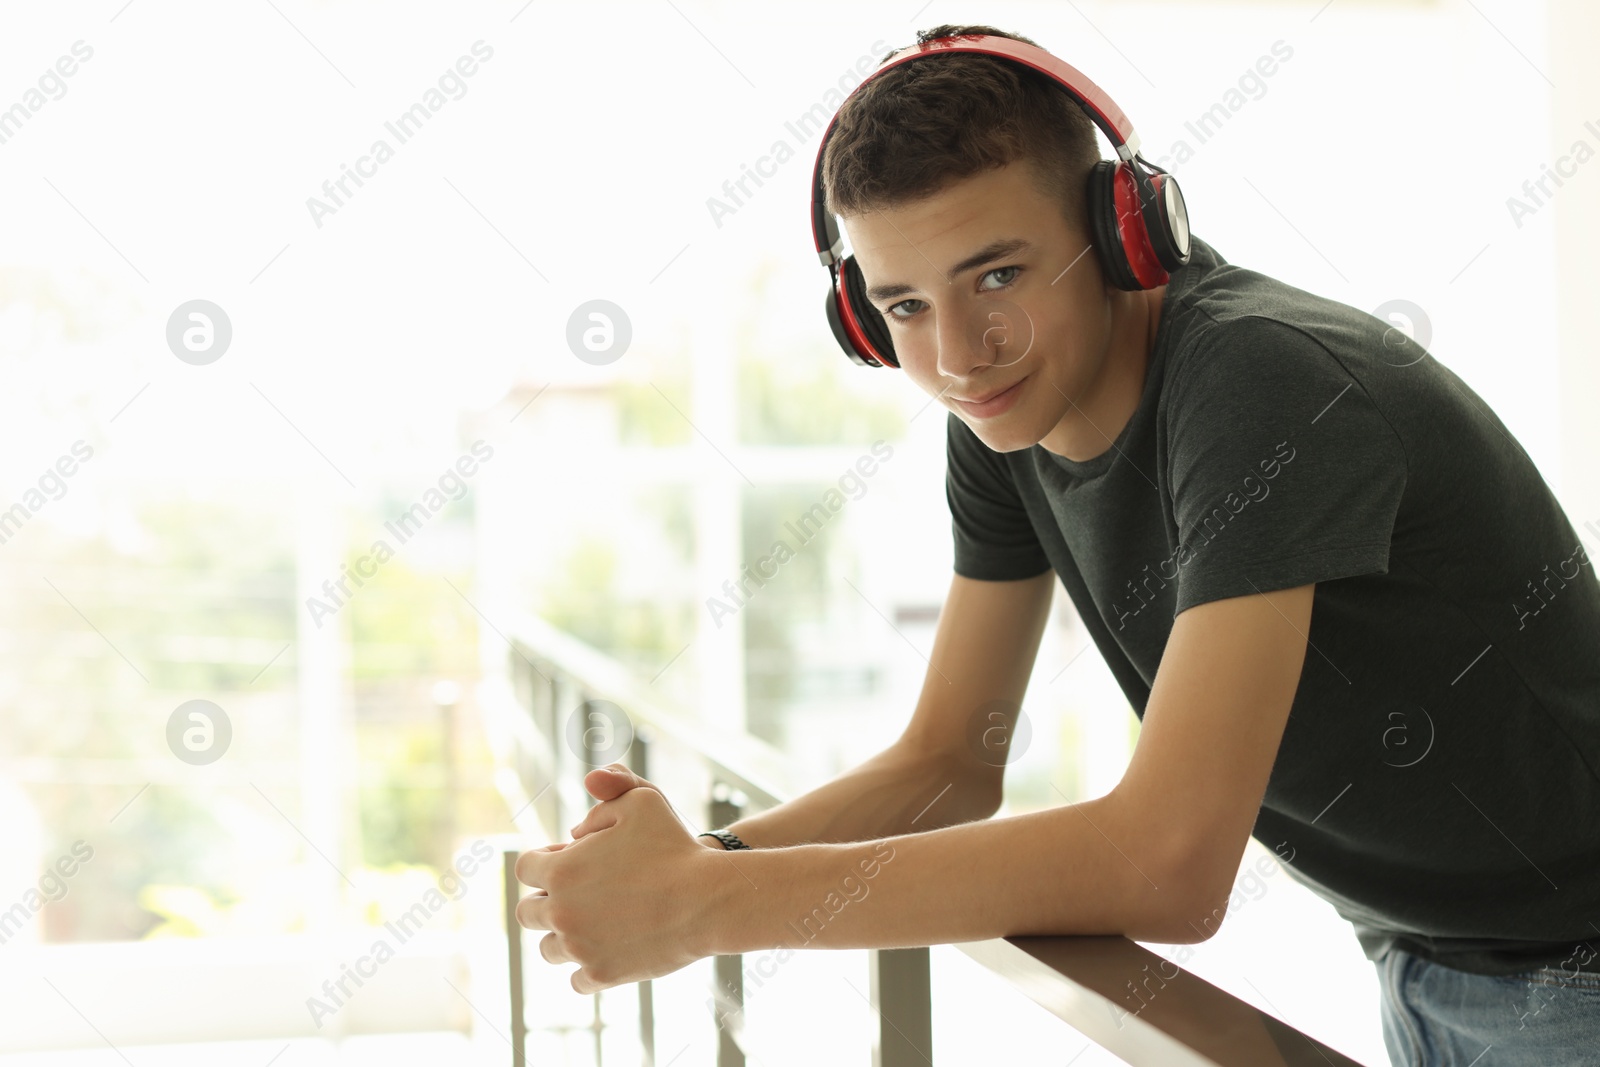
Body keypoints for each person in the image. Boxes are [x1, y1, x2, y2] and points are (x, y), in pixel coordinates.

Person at [515, 24, 1600, 1064]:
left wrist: (704, 907)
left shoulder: (1260, 380)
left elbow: (1169, 861)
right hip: (1434, 956)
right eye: (901, 304)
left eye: (997, 275)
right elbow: (948, 761)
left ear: (1125, 228)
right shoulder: (1002, 422)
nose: (956, 356)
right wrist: (686, 869)